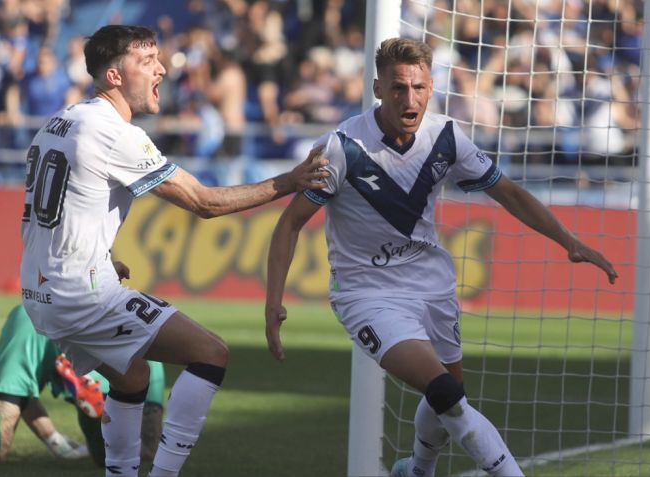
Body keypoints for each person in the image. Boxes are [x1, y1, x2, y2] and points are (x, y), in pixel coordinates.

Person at [264, 37, 618, 477]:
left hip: (432, 287)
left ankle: (418, 470)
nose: (409, 99)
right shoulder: (341, 147)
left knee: (448, 394)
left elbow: (508, 193)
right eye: (397, 88)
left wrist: (569, 241)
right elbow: (290, 223)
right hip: (367, 295)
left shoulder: (447, 137)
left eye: (418, 87)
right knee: (447, 393)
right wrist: (273, 301)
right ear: (378, 89)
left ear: (431, 89)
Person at [18, 25, 328, 477]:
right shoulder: (115, 133)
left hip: (40, 292)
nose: (161, 68)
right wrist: (289, 181)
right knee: (211, 353)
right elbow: (205, 203)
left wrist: (99, 257)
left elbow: (45, 215)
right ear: (114, 75)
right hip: (80, 294)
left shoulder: (59, 121)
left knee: (134, 378)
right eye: (147, 62)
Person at [0, 304, 166, 466]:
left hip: (29, 315)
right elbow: (147, 451)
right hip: (91, 327)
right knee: (121, 455)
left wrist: (54, 440)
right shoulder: (149, 348)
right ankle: (93, 406)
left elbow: (23, 394)